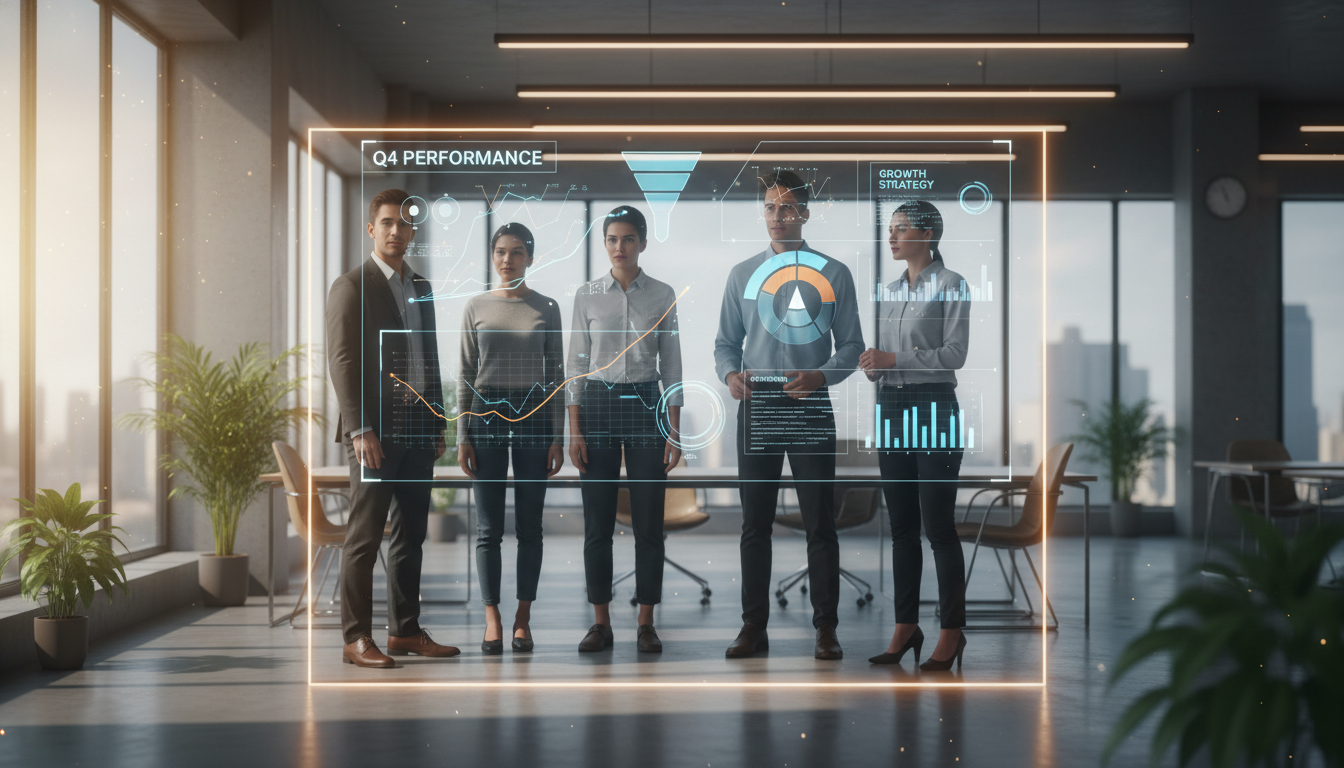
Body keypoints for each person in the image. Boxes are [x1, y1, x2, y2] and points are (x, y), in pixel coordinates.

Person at [713, 170, 864, 660]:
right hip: (757, 406)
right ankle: (753, 627)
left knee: (820, 521)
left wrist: (822, 376)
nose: (776, 218)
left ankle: (826, 629)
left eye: (785, 208)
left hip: (809, 404)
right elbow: (724, 345)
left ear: (803, 212)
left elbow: (852, 347)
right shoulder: (741, 275)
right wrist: (729, 376)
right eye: (769, 208)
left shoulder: (834, 273)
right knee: (754, 523)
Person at [326, 188, 460, 668]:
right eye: (386, 223)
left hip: (419, 431)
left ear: (413, 231)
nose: (395, 232)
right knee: (363, 537)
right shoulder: (351, 286)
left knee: (411, 535)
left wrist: (438, 420)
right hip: (375, 435)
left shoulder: (421, 286)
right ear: (371, 228)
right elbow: (341, 361)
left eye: (404, 224)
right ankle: (355, 638)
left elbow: (431, 357)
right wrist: (360, 429)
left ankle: (404, 631)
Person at [859, 200, 970, 671]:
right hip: (892, 404)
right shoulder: (886, 291)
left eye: (902, 229)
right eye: (891, 229)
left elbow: (955, 354)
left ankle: (951, 632)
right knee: (901, 527)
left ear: (928, 234)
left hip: (934, 406)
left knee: (938, 528)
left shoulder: (952, 284)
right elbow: (883, 357)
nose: (893, 237)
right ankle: (906, 627)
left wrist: (894, 360)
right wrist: (873, 365)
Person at [567, 205, 683, 654]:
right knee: (597, 522)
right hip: (596, 405)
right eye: (612, 239)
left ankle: (646, 621)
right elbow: (575, 363)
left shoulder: (663, 293)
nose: (620, 247)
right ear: (605, 245)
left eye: (628, 239)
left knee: (649, 522)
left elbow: (671, 364)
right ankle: (600, 623)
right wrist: (574, 429)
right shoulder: (587, 294)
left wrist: (673, 430)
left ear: (643, 242)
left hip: (646, 405)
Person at [457, 222, 565, 655]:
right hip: (485, 417)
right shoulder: (475, 306)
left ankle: (522, 617)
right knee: (488, 528)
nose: (507, 260)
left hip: (535, 416)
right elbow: (465, 374)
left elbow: (557, 374)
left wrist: (558, 435)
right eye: (500, 251)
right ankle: (492, 618)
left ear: (530, 257)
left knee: (530, 527)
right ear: (492, 256)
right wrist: (462, 434)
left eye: (517, 252)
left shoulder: (548, 307)